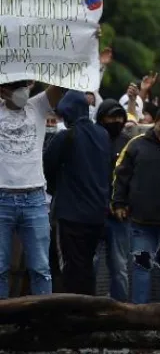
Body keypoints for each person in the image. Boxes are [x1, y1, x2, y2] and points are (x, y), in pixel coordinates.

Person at [112, 107, 160, 303]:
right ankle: (139, 316)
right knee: (141, 269)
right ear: (155, 123)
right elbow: (121, 176)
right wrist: (118, 203)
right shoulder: (136, 145)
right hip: (141, 222)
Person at [44, 90, 113, 295]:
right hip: (97, 214)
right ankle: (89, 311)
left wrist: (56, 189)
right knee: (87, 265)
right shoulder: (103, 134)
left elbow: (47, 167)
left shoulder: (66, 136)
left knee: (71, 267)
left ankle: (73, 314)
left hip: (70, 214)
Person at [0, 81, 62, 298]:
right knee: (0, 269)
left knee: (41, 269)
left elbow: (62, 83)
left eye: (24, 85)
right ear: (2, 90)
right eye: (15, 86)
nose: (22, 91)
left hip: (35, 199)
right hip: (2, 199)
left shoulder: (38, 106)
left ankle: (43, 324)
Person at [96, 99, 134, 301]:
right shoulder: (93, 139)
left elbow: (133, 177)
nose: (116, 121)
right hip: (93, 212)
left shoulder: (128, 142)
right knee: (90, 264)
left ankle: (120, 309)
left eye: (120, 117)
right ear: (101, 118)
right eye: (111, 117)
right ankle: (87, 308)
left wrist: (125, 204)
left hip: (118, 215)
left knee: (119, 267)